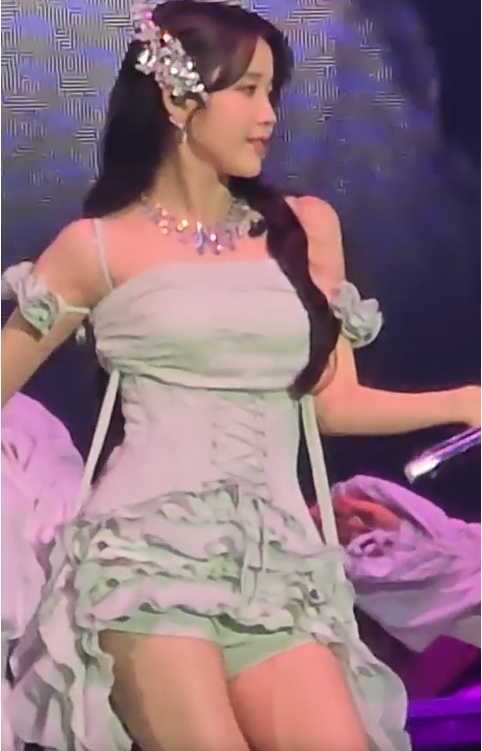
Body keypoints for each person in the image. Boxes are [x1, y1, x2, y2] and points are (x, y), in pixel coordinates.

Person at [1, 2, 480, 750]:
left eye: (272, 92)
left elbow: (332, 403)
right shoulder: (94, 247)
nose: (268, 115)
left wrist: (463, 399)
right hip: (146, 560)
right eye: (249, 90)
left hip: (277, 567)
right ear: (177, 99)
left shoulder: (303, 226)